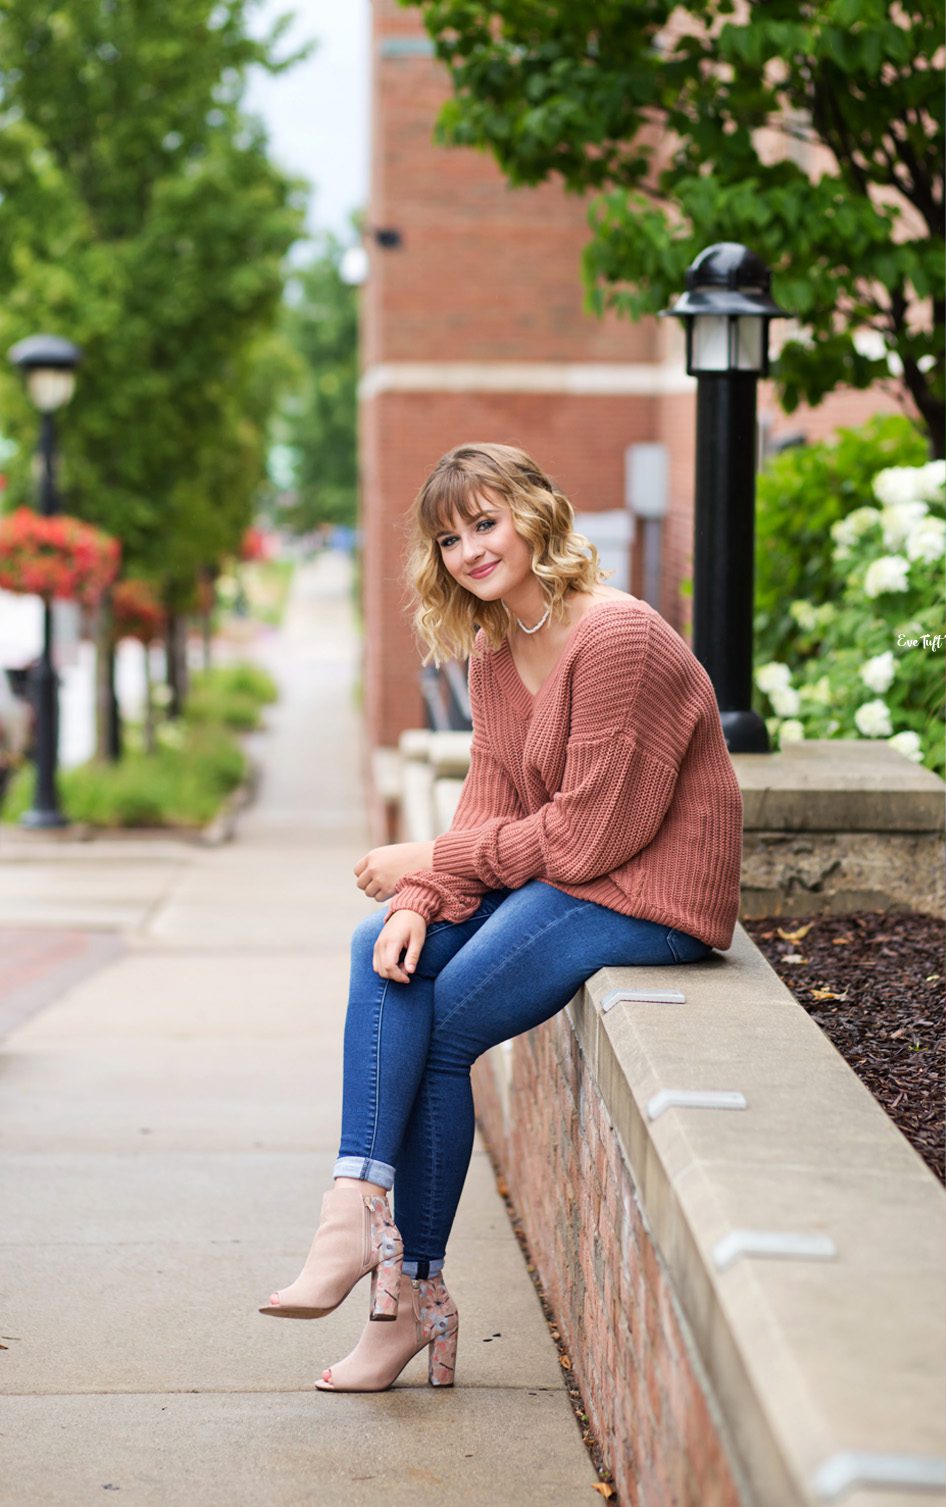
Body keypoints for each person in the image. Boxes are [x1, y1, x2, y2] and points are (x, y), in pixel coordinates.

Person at [257, 442, 743, 1392]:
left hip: (651, 895)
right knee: (381, 947)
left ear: (535, 514)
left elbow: (590, 834)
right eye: (449, 537)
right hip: (571, 882)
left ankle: (406, 1293)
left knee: (439, 1029)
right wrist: (419, 899)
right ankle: (358, 1203)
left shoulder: (618, 638)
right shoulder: (492, 651)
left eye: (486, 521)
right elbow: (489, 798)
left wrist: (427, 860)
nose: (471, 549)